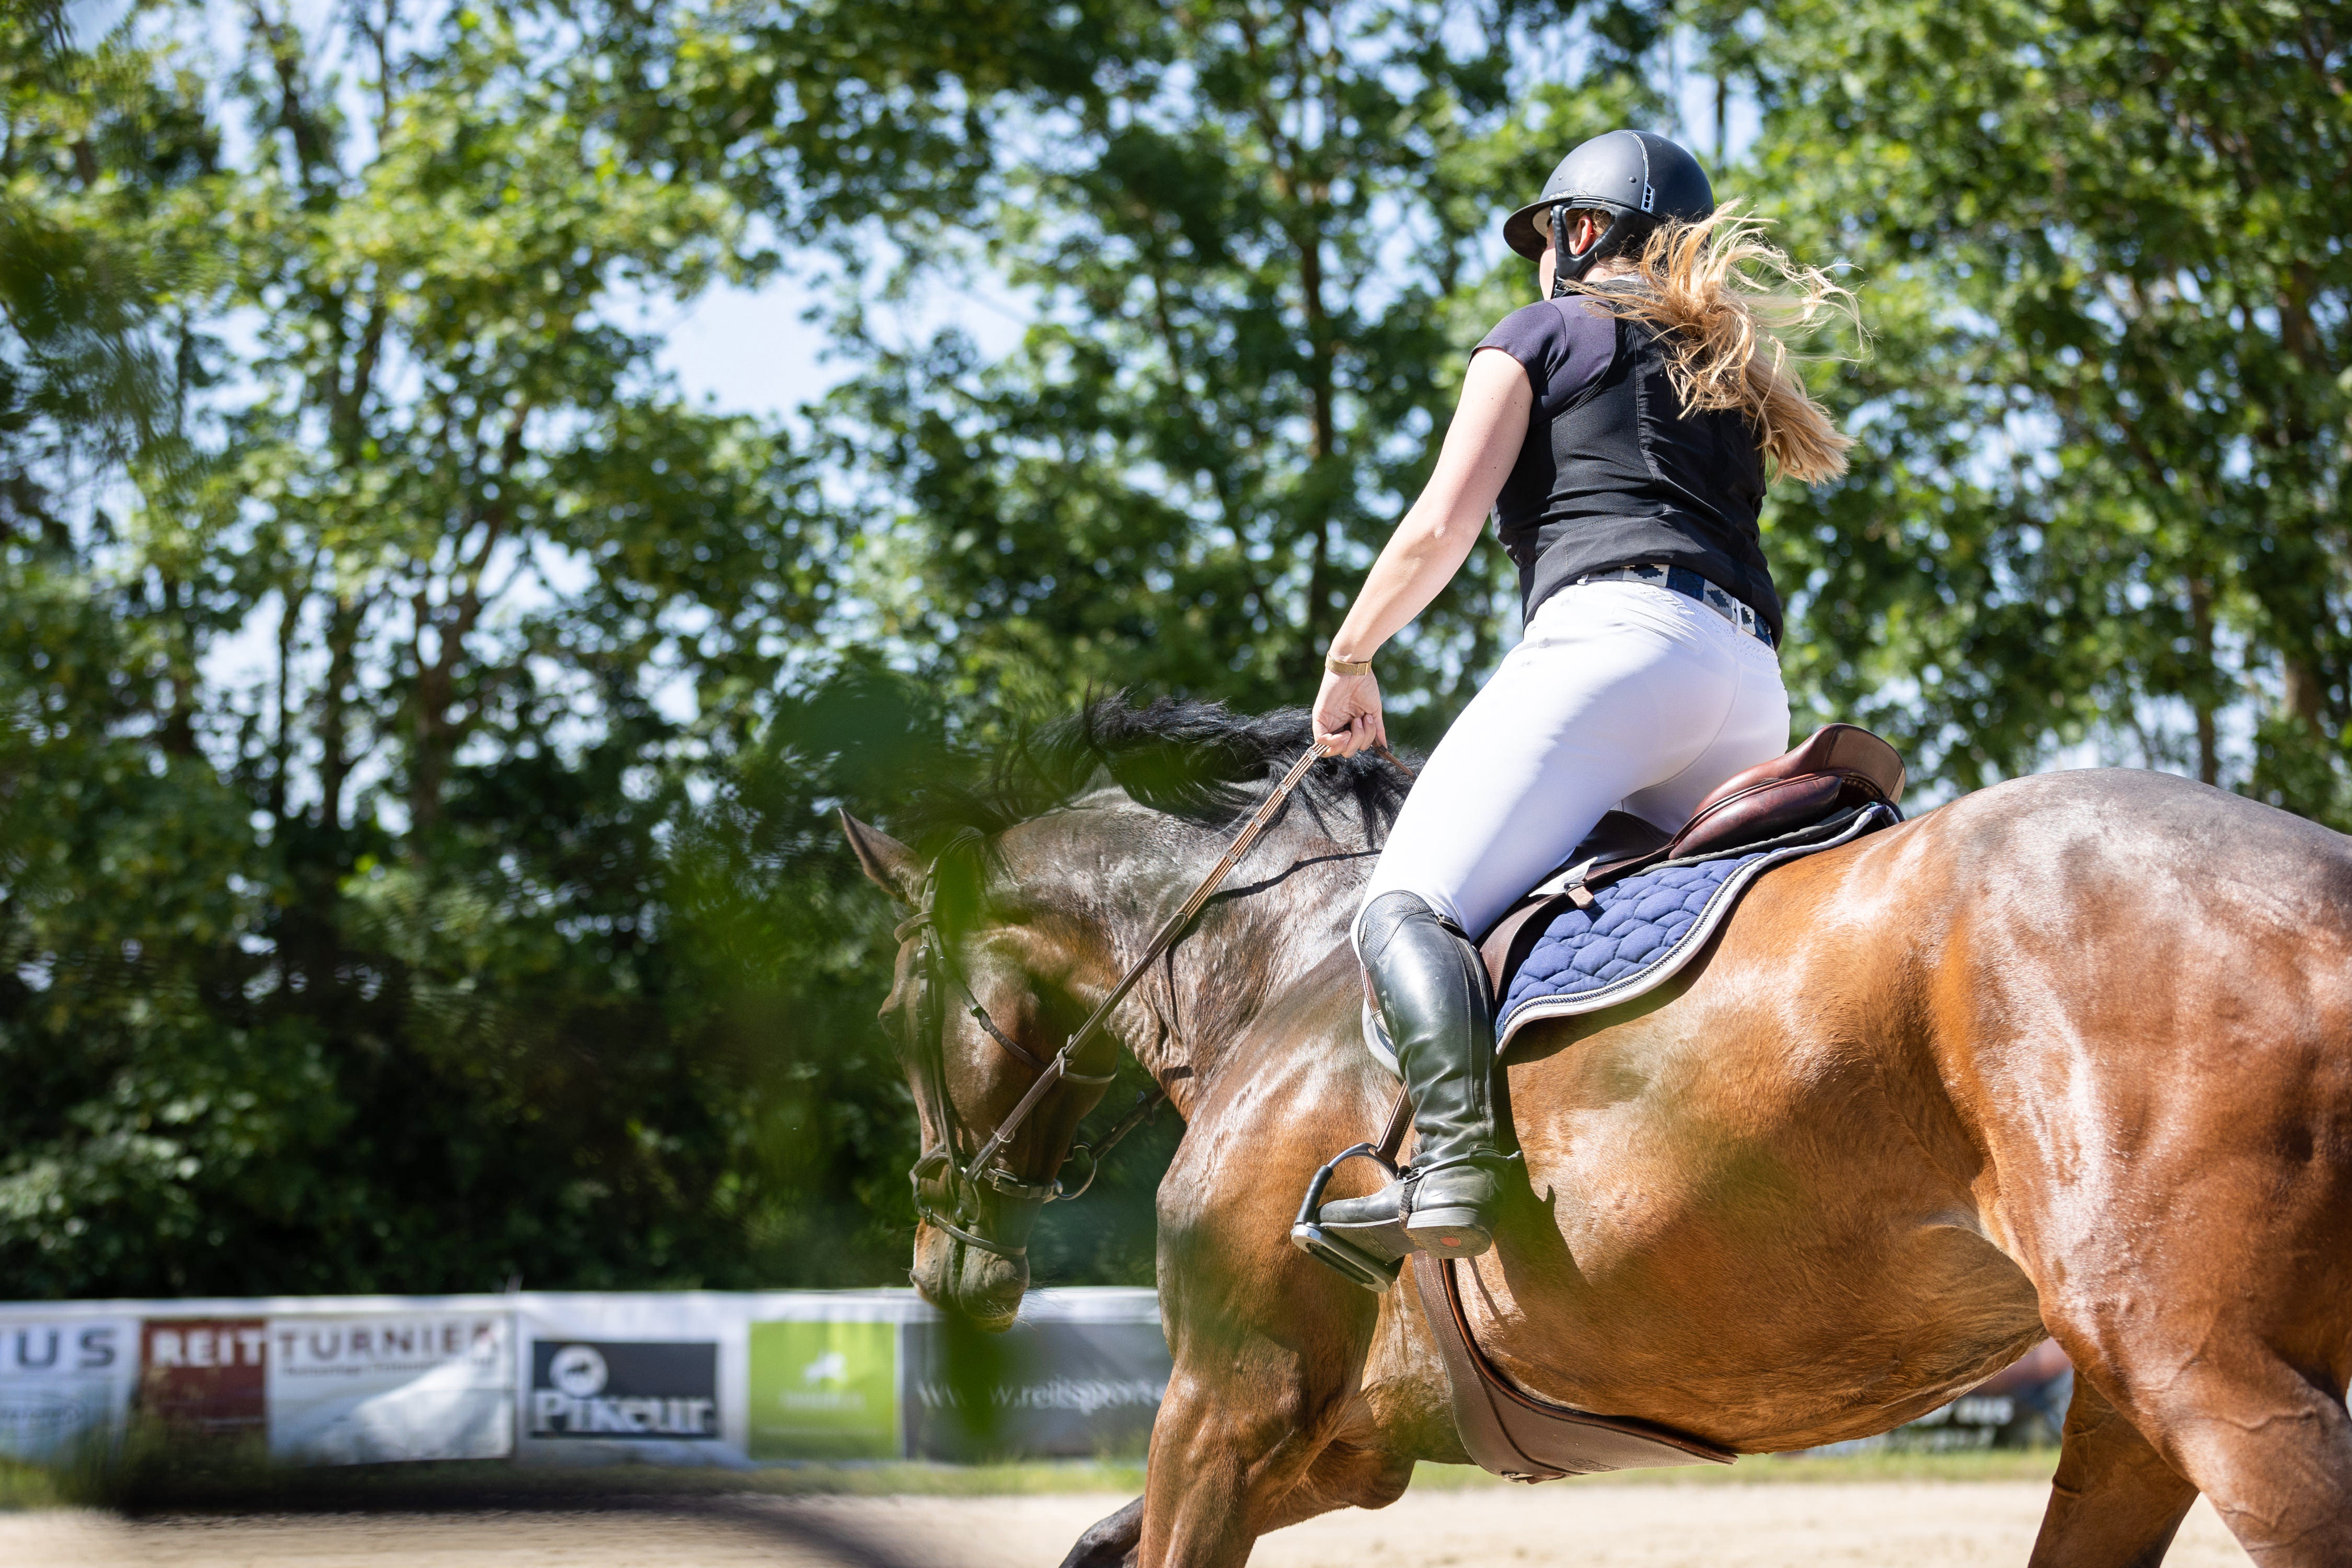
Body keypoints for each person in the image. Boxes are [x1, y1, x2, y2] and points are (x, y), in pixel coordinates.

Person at [1309, 129, 1859, 1260]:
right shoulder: (1729, 379)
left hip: (1617, 649)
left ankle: (1457, 1171)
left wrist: (1352, 656)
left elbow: (1438, 527)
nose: (1535, 264)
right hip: (1750, 688)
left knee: (1401, 909)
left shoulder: (1542, 332)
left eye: (1541, 238)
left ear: (1584, 231)